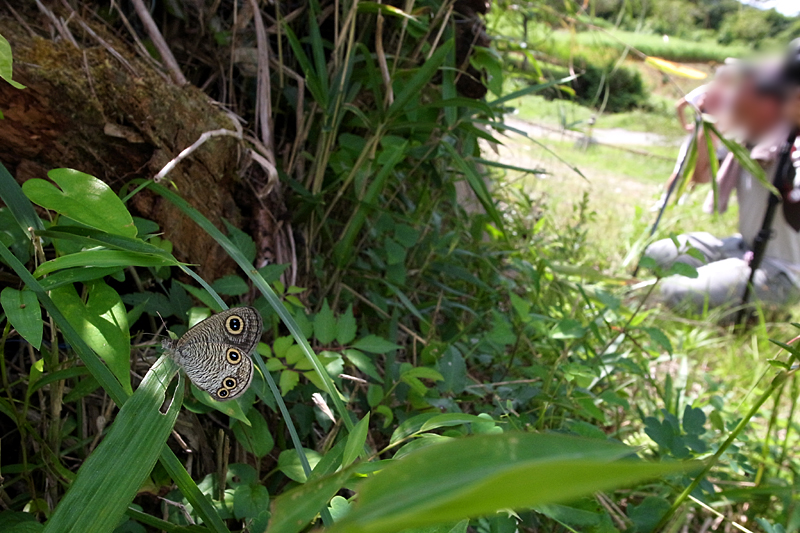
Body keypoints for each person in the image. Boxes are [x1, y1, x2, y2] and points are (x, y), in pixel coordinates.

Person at [643, 60, 800, 314]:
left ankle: (765, 307)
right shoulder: (749, 137)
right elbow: (700, 174)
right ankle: (729, 284)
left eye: (750, 90)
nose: (736, 96)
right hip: (742, 247)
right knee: (656, 254)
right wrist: (709, 122)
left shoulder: (791, 145)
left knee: (678, 293)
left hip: (784, 271)